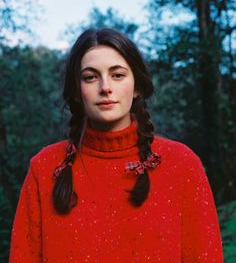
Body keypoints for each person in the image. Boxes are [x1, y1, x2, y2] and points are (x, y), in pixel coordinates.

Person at [9, 28, 224, 262]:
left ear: (137, 86)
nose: (105, 87)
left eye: (118, 75)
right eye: (90, 77)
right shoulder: (44, 167)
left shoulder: (182, 164)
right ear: (77, 92)